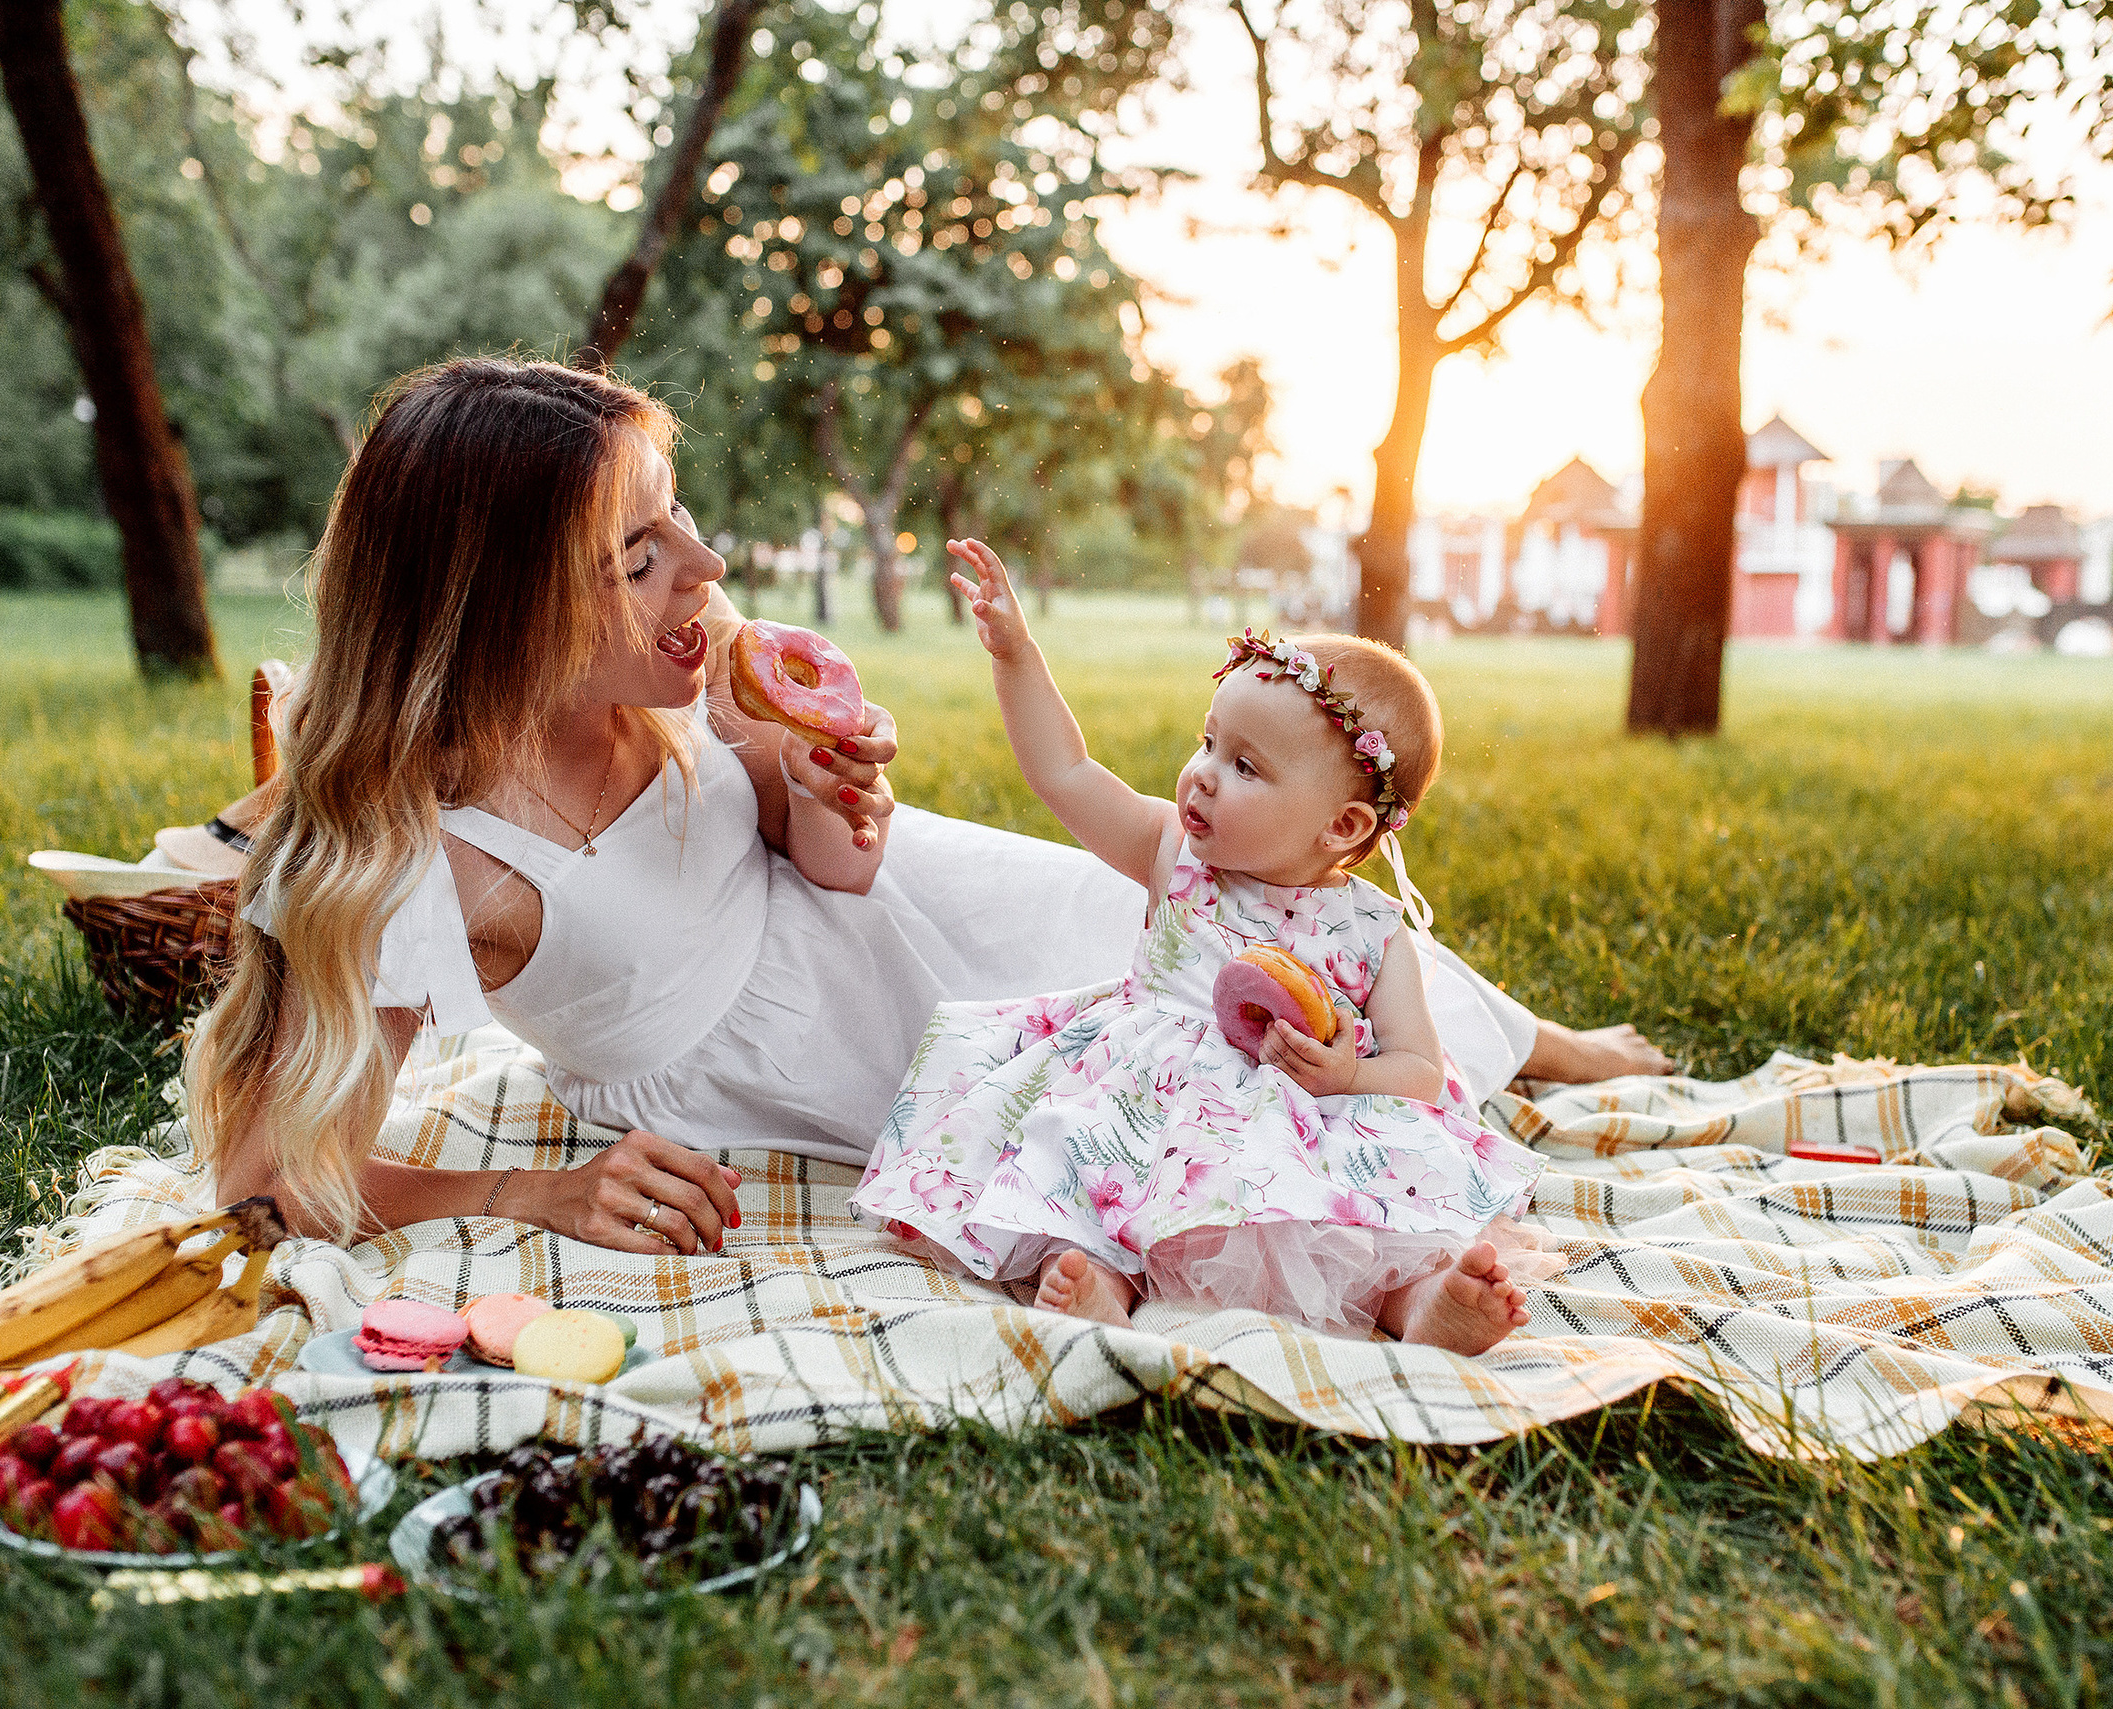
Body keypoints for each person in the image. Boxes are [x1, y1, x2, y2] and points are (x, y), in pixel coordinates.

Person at [186, 357, 1664, 1260]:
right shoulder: (431, 865)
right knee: (1185, 1103)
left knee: (1206, 920)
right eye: (640, 554)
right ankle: (1481, 1079)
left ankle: (1532, 1039)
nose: (702, 566)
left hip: (905, 906)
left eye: (680, 515)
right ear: (499, 609)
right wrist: (533, 1195)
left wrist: (835, 792)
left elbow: (823, 863)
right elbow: (265, 1177)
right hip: (801, 1045)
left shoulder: (674, 673)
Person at [851, 542, 1549, 1353]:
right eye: (1208, 741)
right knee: (1098, 1174)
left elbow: (1421, 1069)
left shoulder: (1371, 928)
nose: (1203, 775)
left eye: (1245, 764)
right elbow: (1065, 771)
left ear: (1344, 827)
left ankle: (1426, 1304)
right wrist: (1017, 655)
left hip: (1302, 1119)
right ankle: (1100, 1286)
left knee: (1368, 1232)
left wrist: (1347, 1075)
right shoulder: (1172, 852)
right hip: (1152, 1100)